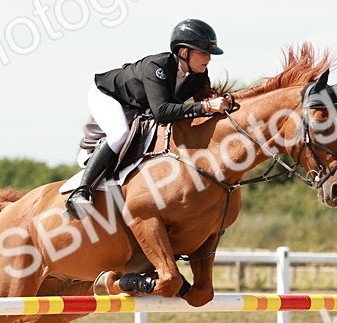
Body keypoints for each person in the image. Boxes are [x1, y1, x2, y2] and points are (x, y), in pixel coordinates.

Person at [65, 19, 234, 219]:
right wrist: (206, 106)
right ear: (183, 52)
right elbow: (161, 112)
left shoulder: (199, 76)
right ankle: (81, 192)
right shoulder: (158, 66)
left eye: (210, 54)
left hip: (139, 105)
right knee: (120, 133)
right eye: (202, 53)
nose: (208, 59)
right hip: (107, 95)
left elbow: (199, 110)